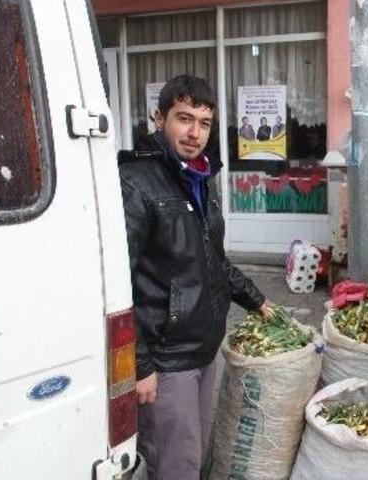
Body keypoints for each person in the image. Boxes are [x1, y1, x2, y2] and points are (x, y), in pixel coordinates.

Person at [119, 75, 273, 480]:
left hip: (203, 348)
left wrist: (256, 299)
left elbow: (211, 261)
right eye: (184, 119)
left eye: (204, 123)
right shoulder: (136, 184)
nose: (194, 132)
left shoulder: (200, 179)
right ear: (159, 118)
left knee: (195, 455)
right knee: (175, 464)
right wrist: (141, 365)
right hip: (167, 359)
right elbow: (119, 284)